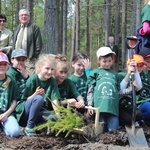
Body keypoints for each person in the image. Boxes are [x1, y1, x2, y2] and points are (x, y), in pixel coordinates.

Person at [20, 54, 61, 136]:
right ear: (40, 67)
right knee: (39, 98)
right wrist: (35, 94)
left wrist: (58, 116)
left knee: (53, 117)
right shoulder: (33, 79)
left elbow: (54, 100)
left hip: (40, 112)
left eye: (52, 69)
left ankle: (38, 126)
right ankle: (29, 128)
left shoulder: (52, 81)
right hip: (26, 112)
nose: (49, 72)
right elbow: (24, 100)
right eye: (47, 68)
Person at [86, 47, 120, 132]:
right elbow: (90, 90)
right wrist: (90, 105)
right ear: (99, 60)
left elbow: (118, 91)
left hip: (113, 109)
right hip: (99, 108)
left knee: (113, 131)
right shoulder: (95, 73)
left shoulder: (115, 75)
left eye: (109, 61)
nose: (107, 64)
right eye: (104, 61)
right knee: (100, 131)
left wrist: (130, 88)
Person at [13, 9, 43, 75]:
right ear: (19, 17)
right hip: (17, 59)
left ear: (29, 17)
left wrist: (34, 56)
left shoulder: (34, 27)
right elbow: (14, 43)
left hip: (29, 59)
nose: (24, 16)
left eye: (26, 15)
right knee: (18, 76)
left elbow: (39, 44)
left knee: (30, 77)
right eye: (22, 15)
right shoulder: (16, 29)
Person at [118, 54, 143, 126]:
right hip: (120, 107)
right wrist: (129, 73)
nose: (137, 68)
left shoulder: (136, 76)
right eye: (135, 66)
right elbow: (120, 89)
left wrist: (136, 71)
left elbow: (139, 87)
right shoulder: (120, 75)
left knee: (139, 115)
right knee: (128, 119)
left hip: (129, 106)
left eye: (139, 66)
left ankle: (134, 123)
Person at [0, 52, 20, 137]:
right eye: (0, 64)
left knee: (15, 132)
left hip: (7, 114)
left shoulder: (11, 81)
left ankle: (4, 127)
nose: (2, 66)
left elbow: (14, 101)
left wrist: (6, 114)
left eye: (5, 64)